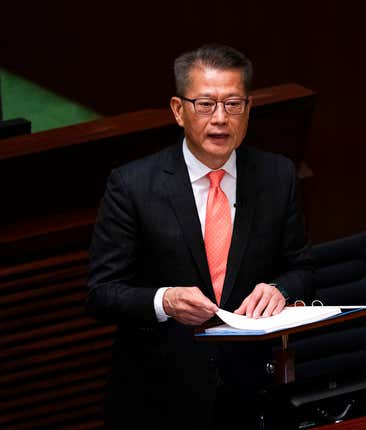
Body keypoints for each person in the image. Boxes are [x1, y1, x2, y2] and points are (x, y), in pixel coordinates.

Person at [87, 44, 313, 429]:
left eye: (233, 104)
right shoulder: (132, 186)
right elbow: (101, 293)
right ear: (179, 110)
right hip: (159, 398)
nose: (220, 119)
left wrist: (280, 289)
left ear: (249, 108)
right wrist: (165, 300)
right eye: (205, 104)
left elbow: (302, 266)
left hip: (250, 394)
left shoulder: (277, 176)